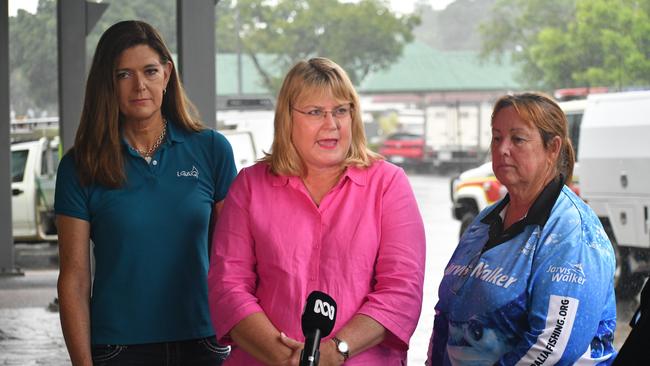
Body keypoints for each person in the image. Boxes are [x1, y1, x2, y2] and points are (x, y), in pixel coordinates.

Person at [207, 57, 426, 365]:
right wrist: (289, 358)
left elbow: (402, 290)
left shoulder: (388, 184)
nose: (332, 124)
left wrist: (337, 349)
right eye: (315, 112)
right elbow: (227, 287)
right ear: (287, 117)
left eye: (341, 110)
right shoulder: (250, 186)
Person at [55, 20, 236, 365]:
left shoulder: (211, 150)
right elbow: (74, 278)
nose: (140, 86)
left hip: (204, 342)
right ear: (107, 83)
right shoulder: (81, 165)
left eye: (150, 71)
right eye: (124, 74)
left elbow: (238, 260)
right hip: (118, 348)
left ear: (167, 74)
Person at [427, 92, 617, 365]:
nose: (503, 148)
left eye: (517, 139)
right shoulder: (484, 222)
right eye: (496, 137)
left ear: (552, 148)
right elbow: (446, 310)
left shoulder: (572, 232)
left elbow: (552, 347)